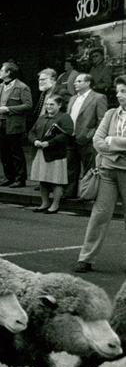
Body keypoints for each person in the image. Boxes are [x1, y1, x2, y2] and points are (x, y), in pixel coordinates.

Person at [74, 76, 126, 273]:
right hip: (107, 170)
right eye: (118, 91)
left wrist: (111, 141)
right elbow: (97, 140)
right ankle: (86, 258)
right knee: (99, 215)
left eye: (124, 91)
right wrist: (117, 147)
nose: (119, 95)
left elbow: (105, 141)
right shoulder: (111, 114)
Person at [27, 94, 73, 214]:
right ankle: (45, 203)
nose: (48, 106)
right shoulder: (42, 117)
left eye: (52, 104)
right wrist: (35, 141)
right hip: (41, 152)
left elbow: (66, 135)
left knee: (56, 180)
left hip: (55, 154)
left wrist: (49, 143)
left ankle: (55, 205)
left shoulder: (64, 117)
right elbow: (31, 132)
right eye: (47, 104)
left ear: (59, 105)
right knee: (43, 179)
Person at [65, 73, 108, 198]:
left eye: (79, 81)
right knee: (71, 166)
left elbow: (102, 120)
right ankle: (69, 193)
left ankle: (87, 193)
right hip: (71, 137)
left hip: (87, 138)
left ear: (88, 83)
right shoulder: (73, 98)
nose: (75, 83)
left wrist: (94, 135)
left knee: (89, 167)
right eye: (75, 81)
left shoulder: (98, 98)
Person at [0, 62, 33, 187]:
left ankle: (20, 179)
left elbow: (28, 105)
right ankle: (9, 177)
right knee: (4, 152)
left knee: (16, 152)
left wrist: (9, 109)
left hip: (13, 124)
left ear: (8, 73)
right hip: (1, 123)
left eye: (2, 70)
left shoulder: (22, 87)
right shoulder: (1, 86)